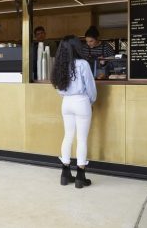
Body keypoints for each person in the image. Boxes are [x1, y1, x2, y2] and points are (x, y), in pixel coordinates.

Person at [51, 35, 97, 189]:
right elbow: (91, 88)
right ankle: (80, 177)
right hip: (81, 101)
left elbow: (59, 88)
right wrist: (90, 101)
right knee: (82, 139)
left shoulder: (60, 64)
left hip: (66, 103)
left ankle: (65, 174)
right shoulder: (83, 64)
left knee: (68, 136)